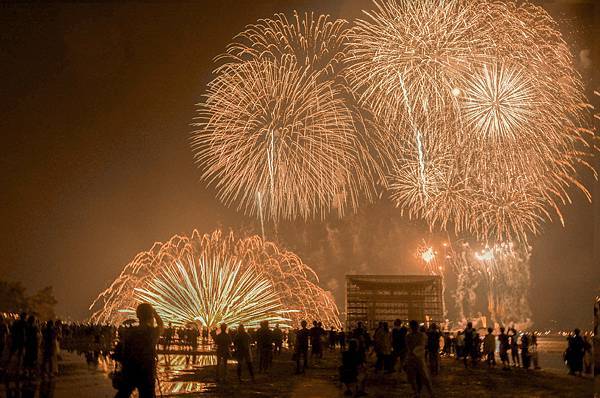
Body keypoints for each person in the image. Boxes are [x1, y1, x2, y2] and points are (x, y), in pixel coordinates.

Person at [114, 303, 164, 398]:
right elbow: (161, 325)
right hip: (147, 371)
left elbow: (122, 350)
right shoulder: (152, 332)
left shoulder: (130, 332)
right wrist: (155, 314)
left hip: (130, 370)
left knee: (122, 394)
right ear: (151, 315)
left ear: (138, 315)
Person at [405, 320, 434, 398]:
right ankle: (430, 393)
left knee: (412, 377)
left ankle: (416, 392)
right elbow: (425, 345)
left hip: (411, 358)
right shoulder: (423, 335)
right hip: (420, 358)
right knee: (425, 377)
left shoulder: (408, 336)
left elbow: (408, 348)